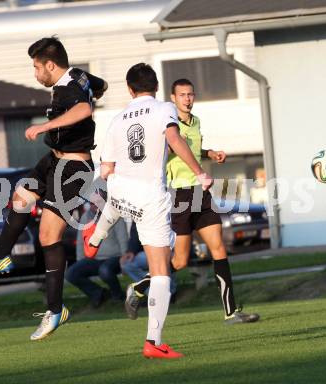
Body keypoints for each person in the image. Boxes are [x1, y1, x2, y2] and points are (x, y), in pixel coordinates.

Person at [0, 36, 108, 340]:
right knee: (19, 197)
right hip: (52, 161)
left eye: (36, 68)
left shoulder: (71, 87)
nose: (35, 74)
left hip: (72, 169)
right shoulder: (79, 76)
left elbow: (83, 109)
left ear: (50, 65)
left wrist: (45, 126)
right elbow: (101, 86)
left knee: (48, 236)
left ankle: (55, 311)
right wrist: (94, 92)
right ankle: (0, 256)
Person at [84, 63, 213, 359]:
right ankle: (153, 342)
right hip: (151, 196)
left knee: (116, 202)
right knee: (161, 272)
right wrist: (199, 172)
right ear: (156, 87)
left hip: (120, 190)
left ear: (130, 89)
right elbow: (173, 138)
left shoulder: (116, 120)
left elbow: (106, 170)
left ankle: (95, 235)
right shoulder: (163, 108)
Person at [125, 78, 260, 325]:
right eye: (182, 95)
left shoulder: (195, 121)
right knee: (180, 260)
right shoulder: (168, 124)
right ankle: (138, 287)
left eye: (190, 94)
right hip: (179, 195)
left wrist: (210, 153)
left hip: (201, 192)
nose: (187, 99)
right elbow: (172, 148)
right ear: (173, 98)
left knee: (218, 248)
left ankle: (230, 312)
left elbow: (192, 148)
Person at [66, 192, 127, 307]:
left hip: (114, 257)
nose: (95, 205)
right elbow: (80, 242)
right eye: (92, 203)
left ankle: (118, 296)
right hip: (93, 259)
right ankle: (99, 294)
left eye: (98, 202)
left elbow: (123, 237)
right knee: (71, 273)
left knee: (105, 270)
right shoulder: (85, 217)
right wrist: (80, 261)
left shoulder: (115, 215)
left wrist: (124, 258)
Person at [120, 222, 177, 319]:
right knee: (127, 264)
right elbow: (135, 232)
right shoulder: (145, 209)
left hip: (172, 250)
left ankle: (140, 289)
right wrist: (131, 251)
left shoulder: (174, 209)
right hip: (153, 252)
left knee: (178, 262)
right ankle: (155, 294)